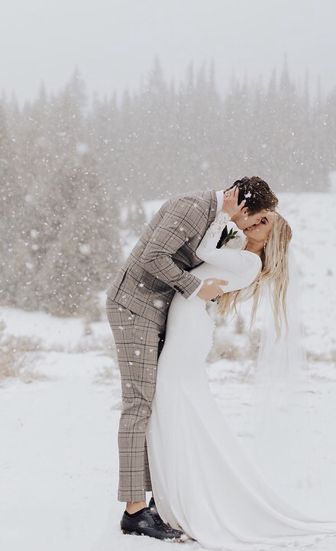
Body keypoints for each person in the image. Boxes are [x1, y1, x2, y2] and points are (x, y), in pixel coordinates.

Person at [145, 188, 336, 549]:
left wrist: (226, 212)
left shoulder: (250, 264)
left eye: (264, 222)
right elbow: (210, 252)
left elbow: (204, 251)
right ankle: (178, 490)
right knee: (176, 409)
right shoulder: (237, 253)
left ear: (270, 236)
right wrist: (234, 224)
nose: (256, 221)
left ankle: (182, 494)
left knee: (175, 405)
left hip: (188, 336)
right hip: (187, 328)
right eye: (259, 216)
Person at [106, 176, 278, 541]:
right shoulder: (191, 207)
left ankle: (152, 497)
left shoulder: (219, 220)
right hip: (134, 307)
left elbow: (206, 258)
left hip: (158, 308)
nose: (251, 227)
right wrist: (197, 288)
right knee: (138, 404)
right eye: (256, 218)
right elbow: (154, 257)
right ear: (244, 208)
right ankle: (135, 511)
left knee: (154, 403)